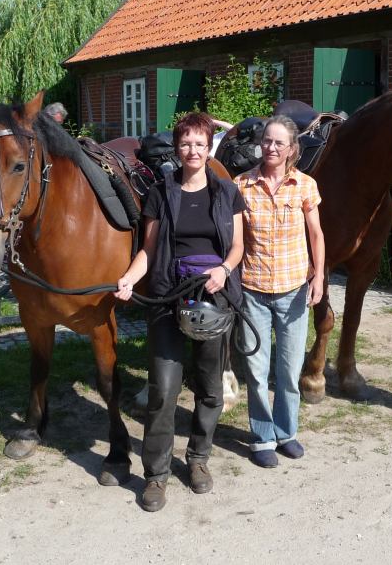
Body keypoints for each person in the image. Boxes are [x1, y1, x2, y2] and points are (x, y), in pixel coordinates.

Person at [114, 112, 245, 512]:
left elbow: (238, 248)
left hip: (214, 301)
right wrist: (129, 280)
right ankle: (155, 476)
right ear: (178, 147)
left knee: (209, 388)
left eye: (199, 144)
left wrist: (223, 271)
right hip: (170, 300)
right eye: (186, 143)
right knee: (164, 390)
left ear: (209, 149)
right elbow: (148, 251)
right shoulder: (159, 193)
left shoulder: (227, 194)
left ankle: (199, 460)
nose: (192, 150)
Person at [235, 115, 325, 468]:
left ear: (292, 149)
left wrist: (318, 277)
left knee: (289, 371)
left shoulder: (305, 185)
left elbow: (316, 234)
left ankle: (286, 432)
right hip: (253, 290)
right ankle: (262, 437)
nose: (270, 148)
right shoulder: (241, 184)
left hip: (293, 291)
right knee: (256, 372)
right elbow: (236, 240)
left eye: (278, 143)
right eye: (266, 141)